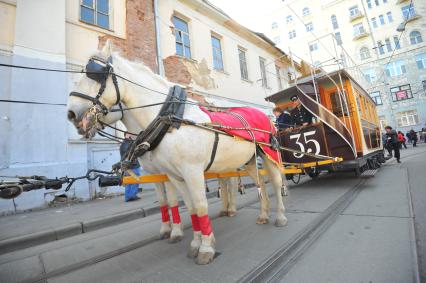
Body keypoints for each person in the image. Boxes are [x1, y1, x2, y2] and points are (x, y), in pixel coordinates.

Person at [120, 133, 141, 202]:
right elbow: (132, 153)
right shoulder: (128, 144)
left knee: (128, 182)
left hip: (127, 167)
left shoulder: (123, 144)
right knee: (135, 180)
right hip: (133, 166)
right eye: (129, 134)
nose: (131, 136)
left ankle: (128, 197)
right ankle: (132, 196)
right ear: (126, 135)